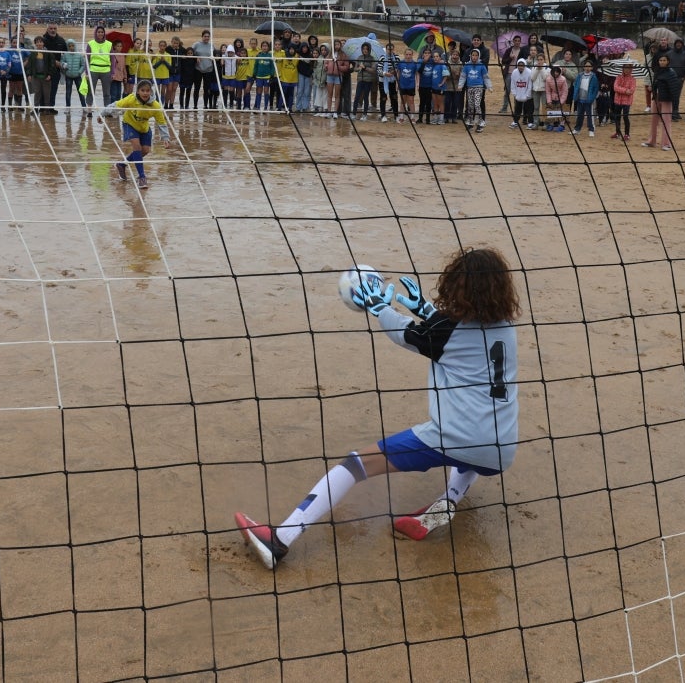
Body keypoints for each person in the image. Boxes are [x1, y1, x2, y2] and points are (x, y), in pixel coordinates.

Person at [235, 247, 521, 568]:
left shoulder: (448, 334)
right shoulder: (505, 330)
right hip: (502, 449)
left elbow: (407, 335)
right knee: (470, 457)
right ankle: (447, 502)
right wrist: (424, 309)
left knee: (355, 464)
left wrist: (380, 307)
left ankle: (280, 539)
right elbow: (446, 334)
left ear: (458, 286)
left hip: (458, 437)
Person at [103, 79, 171, 188]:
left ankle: (121, 164)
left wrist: (165, 138)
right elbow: (116, 105)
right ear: (138, 91)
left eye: (147, 91)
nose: (145, 93)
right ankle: (142, 177)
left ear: (151, 92)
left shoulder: (155, 105)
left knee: (145, 151)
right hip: (129, 124)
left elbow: (161, 122)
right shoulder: (131, 99)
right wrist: (102, 113)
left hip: (144, 128)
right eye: (142, 90)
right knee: (136, 146)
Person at [642, 54, 678, 150]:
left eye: (664, 60)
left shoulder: (671, 73)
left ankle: (666, 144)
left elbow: (674, 89)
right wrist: (652, 87)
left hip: (666, 99)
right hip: (656, 98)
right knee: (654, 120)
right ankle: (651, 141)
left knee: (666, 121)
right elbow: (656, 84)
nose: (662, 62)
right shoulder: (657, 71)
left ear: (668, 61)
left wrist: (675, 105)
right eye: (660, 60)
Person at [85, 26, 113, 110]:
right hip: (93, 69)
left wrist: (113, 72)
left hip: (106, 70)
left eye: (102, 32)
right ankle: (89, 109)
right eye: (99, 32)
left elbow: (113, 60)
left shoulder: (109, 44)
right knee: (90, 91)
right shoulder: (90, 43)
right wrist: (87, 72)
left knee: (107, 92)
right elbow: (87, 59)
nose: (100, 33)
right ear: (96, 33)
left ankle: (106, 110)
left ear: (104, 33)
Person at [461, 48, 489, 131]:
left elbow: (486, 77)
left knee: (477, 105)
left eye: (476, 55)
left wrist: (489, 86)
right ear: (470, 56)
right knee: (470, 105)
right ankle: (470, 122)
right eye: (473, 55)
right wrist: (460, 85)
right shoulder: (467, 65)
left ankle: (481, 122)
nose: (474, 57)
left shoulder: (481, 65)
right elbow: (463, 76)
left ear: (478, 56)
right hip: (469, 87)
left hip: (479, 87)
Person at [40, 23, 67, 110]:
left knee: (53, 89)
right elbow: (39, 54)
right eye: (51, 28)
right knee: (43, 89)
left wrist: (63, 64)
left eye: (54, 28)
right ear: (47, 29)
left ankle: (51, 107)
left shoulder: (61, 40)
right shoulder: (42, 40)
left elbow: (66, 54)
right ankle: (42, 107)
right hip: (44, 69)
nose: (53, 30)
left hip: (56, 70)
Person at [611, 62, 637, 141]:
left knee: (626, 117)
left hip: (627, 102)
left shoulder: (633, 79)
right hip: (618, 100)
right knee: (617, 117)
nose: (627, 69)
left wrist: (621, 89)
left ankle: (627, 134)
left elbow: (632, 90)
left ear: (631, 69)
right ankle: (618, 132)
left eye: (629, 68)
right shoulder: (618, 77)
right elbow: (615, 87)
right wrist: (625, 90)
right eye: (625, 67)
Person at [570, 62, 598, 136]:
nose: (587, 68)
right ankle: (577, 129)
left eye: (589, 66)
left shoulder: (593, 77)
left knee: (589, 115)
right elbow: (576, 85)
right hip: (580, 99)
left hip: (588, 100)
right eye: (586, 66)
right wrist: (576, 95)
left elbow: (595, 89)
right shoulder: (580, 75)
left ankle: (591, 130)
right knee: (579, 115)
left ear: (592, 68)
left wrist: (591, 98)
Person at [60, 39, 87, 115]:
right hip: (68, 76)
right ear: (68, 47)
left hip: (77, 76)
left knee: (81, 92)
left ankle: (84, 107)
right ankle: (68, 107)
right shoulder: (65, 55)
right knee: (68, 92)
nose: (71, 47)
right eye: (69, 46)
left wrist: (79, 72)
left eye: (72, 46)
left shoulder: (79, 55)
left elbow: (83, 65)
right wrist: (63, 65)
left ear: (75, 46)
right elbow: (61, 62)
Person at [192, 29, 216, 110]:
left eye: (208, 37)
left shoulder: (212, 45)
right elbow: (190, 53)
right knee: (197, 88)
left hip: (208, 70)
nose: (206, 38)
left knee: (207, 89)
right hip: (198, 69)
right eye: (205, 36)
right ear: (202, 37)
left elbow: (215, 55)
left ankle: (205, 105)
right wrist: (196, 58)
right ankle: (195, 105)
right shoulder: (196, 44)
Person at [507, 58, 533, 129]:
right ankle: (515, 121)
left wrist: (527, 95)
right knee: (517, 109)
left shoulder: (529, 72)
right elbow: (513, 84)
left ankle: (530, 122)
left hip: (528, 96)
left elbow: (530, 85)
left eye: (522, 65)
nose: (521, 67)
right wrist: (515, 94)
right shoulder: (514, 72)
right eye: (519, 65)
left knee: (529, 109)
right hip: (518, 95)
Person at [544, 64, 568, 132]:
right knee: (551, 111)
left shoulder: (563, 79)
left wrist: (561, 101)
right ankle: (551, 124)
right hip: (552, 97)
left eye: (557, 71)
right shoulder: (548, 79)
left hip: (561, 97)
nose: (555, 73)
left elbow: (565, 91)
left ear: (559, 72)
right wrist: (549, 101)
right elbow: (548, 91)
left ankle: (562, 125)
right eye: (554, 71)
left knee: (561, 111)